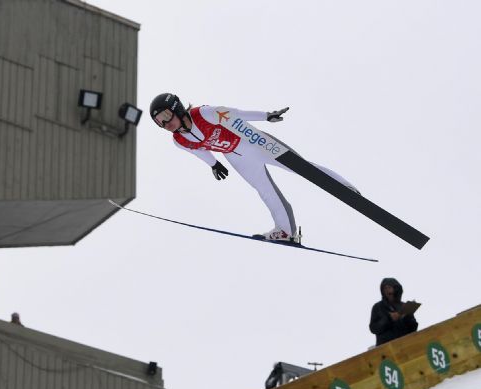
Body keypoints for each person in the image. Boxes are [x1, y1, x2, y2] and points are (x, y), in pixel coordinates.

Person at [149, 93, 358, 242]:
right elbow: (198, 150)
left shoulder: (204, 113)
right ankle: (285, 231)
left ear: (176, 107)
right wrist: (213, 164)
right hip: (236, 157)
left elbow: (237, 114)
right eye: (159, 122)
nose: (165, 124)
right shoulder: (179, 140)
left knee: (301, 167)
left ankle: (343, 187)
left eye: (165, 116)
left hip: (253, 141)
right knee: (265, 191)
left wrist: (266, 116)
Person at [369, 277, 418, 346]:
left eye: (389, 287)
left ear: (396, 289)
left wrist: (407, 317)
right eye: (384, 288)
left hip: (405, 344)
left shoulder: (404, 306)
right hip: (386, 347)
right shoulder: (378, 307)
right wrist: (389, 319)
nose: (387, 290)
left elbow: (414, 328)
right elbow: (373, 328)